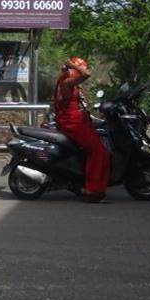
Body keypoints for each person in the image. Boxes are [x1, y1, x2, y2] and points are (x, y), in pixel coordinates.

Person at [53, 57, 111, 203]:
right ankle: (93, 190)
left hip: (75, 120)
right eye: (80, 68)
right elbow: (86, 75)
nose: (81, 72)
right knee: (98, 152)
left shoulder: (66, 80)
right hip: (73, 122)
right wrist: (73, 66)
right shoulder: (67, 81)